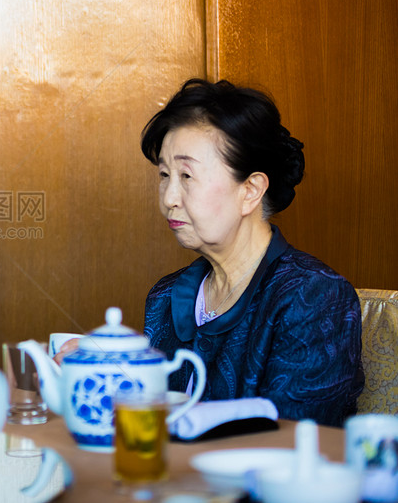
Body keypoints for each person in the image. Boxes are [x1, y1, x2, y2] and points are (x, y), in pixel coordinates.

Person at [138, 78, 363, 427]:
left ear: (251, 190)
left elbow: (291, 435)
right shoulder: (166, 297)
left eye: (186, 175)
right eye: (165, 175)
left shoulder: (314, 297)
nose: (169, 197)